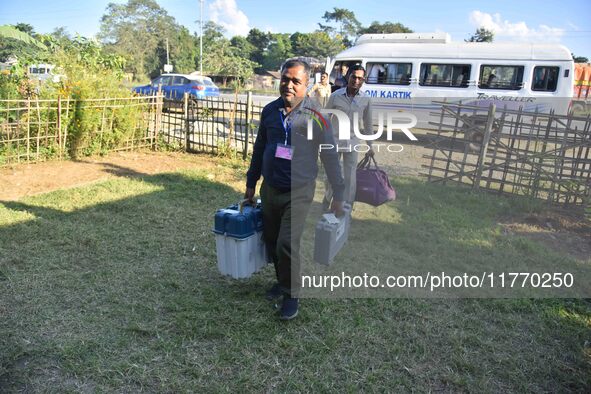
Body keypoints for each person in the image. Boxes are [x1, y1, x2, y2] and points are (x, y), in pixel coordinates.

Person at [245, 59, 345, 320]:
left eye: (295, 81)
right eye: (285, 79)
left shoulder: (317, 117)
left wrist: (339, 193)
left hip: (299, 190)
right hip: (270, 188)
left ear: (307, 85)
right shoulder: (269, 111)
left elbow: (331, 156)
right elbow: (259, 149)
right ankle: (281, 281)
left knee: (287, 243)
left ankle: (292, 294)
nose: (288, 85)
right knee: (272, 240)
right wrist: (250, 182)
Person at [323, 64, 374, 210]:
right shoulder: (335, 96)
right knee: (330, 174)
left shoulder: (366, 100)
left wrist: (370, 146)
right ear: (348, 76)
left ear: (363, 80)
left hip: (352, 143)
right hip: (334, 141)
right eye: (354, 77)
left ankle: (347, 205)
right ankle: (327, 199)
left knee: (350, 176)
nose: (356, 81)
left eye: (360, 78)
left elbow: (368, 124)